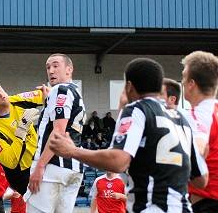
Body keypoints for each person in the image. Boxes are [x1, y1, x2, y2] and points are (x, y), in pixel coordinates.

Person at [49, 57, 208, 213]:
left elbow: (118, 161)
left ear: (129, 86)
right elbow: (201, 180)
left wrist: (72, 151)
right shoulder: (181, 117)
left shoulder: (138, 109)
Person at [25, 53, 86, 213]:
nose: (51, 70)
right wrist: (48, 100)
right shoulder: (75, 91)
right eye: (48, 67)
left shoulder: (61, 90)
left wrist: (40, 166)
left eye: (55, 65)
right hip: (72, 169)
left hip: (53, 167)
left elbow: (58, 131)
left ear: (69, 69)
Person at [0, 81, 44, 196]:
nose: (0, 93)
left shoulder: (16, 100)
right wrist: (21, 129)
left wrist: (52, 90)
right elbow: (10, 161)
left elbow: (44, 95)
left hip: (39, 158)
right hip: (22, 173)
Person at [181, 51, 218, 212]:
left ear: (191, 84)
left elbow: (199, 146)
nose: (181, 82)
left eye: (183, 77)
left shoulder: (197, 115)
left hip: (208, 202)